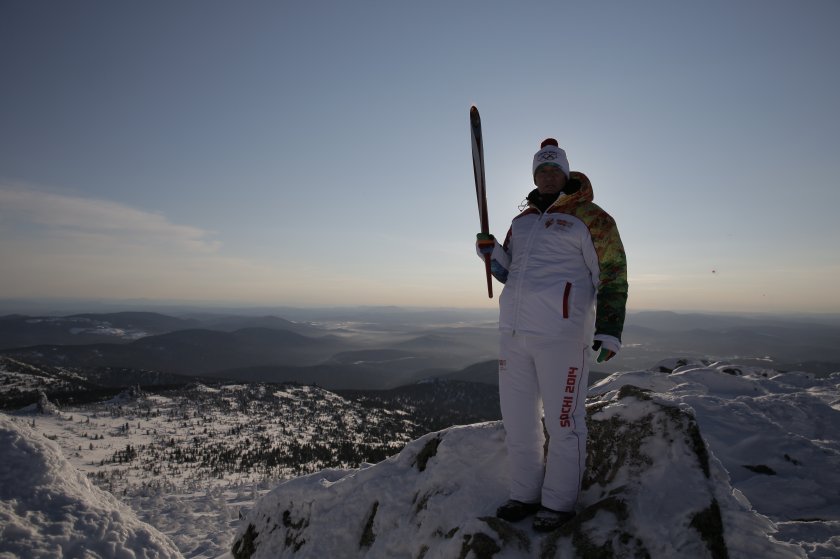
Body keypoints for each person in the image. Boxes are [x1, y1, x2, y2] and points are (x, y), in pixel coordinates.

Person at [476, 138, 628, 532]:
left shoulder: (593, 218)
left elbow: (612, 275)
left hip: (562, 335)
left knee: (565, 421)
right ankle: (524, 494)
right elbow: (511, 273)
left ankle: (559, 503)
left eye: (553, 170)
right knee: (520, 421)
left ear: (566, 174)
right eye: (540, 171)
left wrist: (609, 331)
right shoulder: (522, 222)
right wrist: (492, 254)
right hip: (513, 333)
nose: (547, 176)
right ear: (534, 176)